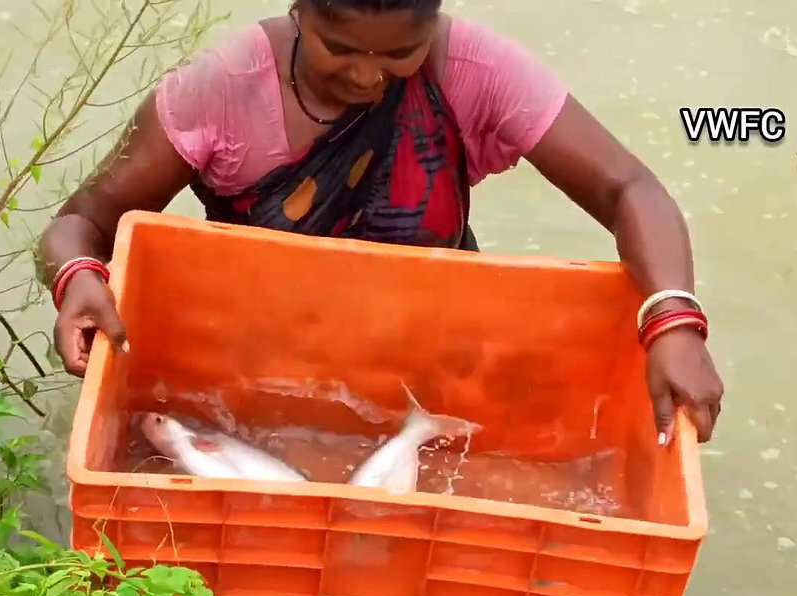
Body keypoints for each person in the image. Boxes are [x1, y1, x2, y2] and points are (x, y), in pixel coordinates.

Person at [38, 0, 724, 444]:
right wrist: (78, 279)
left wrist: (673, 320)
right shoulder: (220, 87)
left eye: (400, 55)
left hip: (429, 357)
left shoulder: (476, 71)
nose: (369, 77)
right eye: (340, 48)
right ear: (299, 10)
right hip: (261, 361)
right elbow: (83, 221)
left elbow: (628, 186)